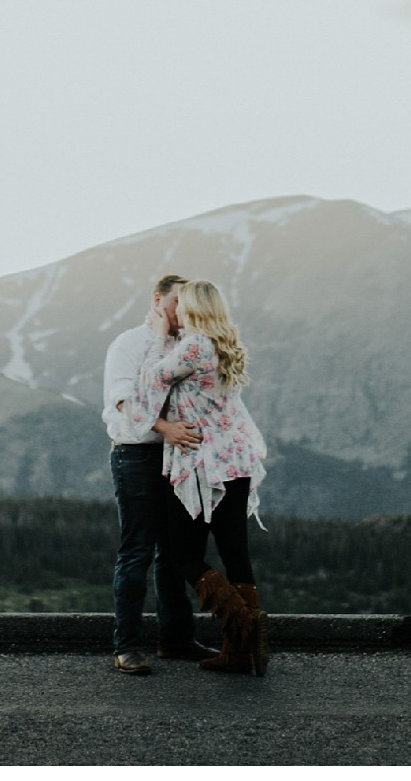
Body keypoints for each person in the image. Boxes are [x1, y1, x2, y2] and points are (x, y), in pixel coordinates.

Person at [122, 278, 271, 675]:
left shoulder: (193, 345)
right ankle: (242, 651)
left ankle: (242, 629)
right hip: (235, 462)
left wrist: (156, 338)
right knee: (235, 552)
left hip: (201, 464)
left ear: (193, 309)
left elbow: (148, 382)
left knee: (183, 555)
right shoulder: (226, 344)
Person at [103, 274, 215, 675]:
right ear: (157, 299)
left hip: (178, 457)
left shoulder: (188, 345)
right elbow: (121, 401)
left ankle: (176, 640)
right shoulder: (129, 343)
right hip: (136, 455)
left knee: (174, 552)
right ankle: (127, 646)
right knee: (137, 551)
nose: (181, 310)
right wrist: (165, 428)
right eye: (175, 302)